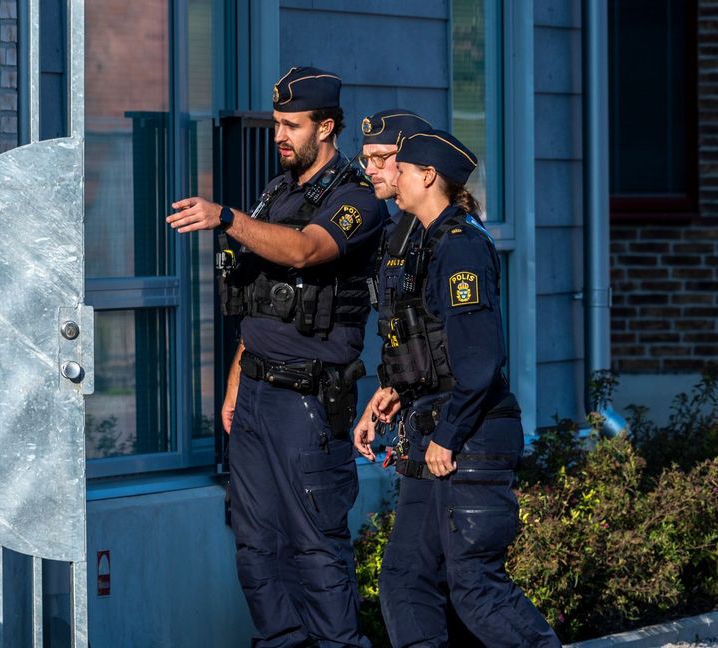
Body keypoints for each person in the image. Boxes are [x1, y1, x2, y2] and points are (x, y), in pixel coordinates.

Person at [166, 66, 384, 647]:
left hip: (308, 402)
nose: (280, 135)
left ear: (327, 127)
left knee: (314, 548)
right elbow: (263, 302)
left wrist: (228, 218)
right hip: (259, 397)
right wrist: (238, 378)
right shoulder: (279, 191)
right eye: (277, 124)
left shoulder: (354, 198)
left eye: (292, 125)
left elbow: (308, 251)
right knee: (255, 549)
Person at [352, 129, 560, 647]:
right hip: (433, 430)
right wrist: (399, 388)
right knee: (405, 579)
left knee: (474, 586)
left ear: (428, 176)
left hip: (469, 437)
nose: (389, 175)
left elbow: (480, 359)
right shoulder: (426, 241)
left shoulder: (460, 247)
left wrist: (448, 434)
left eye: (400, 169)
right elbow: (438, 346)